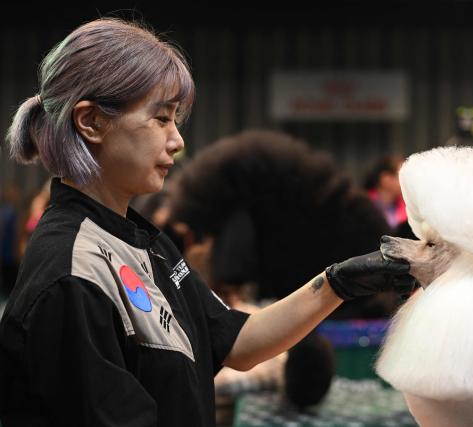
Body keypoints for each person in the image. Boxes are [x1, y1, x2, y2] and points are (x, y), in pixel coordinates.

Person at [0, 18, 415, 427]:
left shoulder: (146, 242)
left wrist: (338, 283)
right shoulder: (72, 276)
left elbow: (239, 341)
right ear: (91, 122)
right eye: (161, 119)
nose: (177, 140)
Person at [363, 154, 407, 230]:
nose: (406, 182)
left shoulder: (407, 208)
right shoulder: (364, 205)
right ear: (385, 178)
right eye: (401, 176)